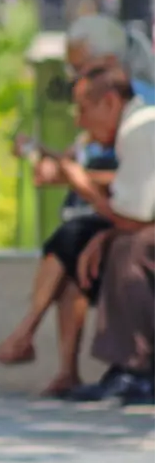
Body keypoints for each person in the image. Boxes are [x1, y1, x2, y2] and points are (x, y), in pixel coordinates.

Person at [0, 14, 155, 396]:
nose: (76, 78)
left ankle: (133, 369)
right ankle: (63, 363)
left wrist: (80, 184)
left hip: (136, 216)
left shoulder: (139, 111)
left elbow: (134, 203)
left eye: (82, 68)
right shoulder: (114, 112)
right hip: (130, 208)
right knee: (78, 251)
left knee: (121, 247)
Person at [55, 62, 155, 402]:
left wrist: (81, 184)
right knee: (100, 241)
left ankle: (134, 370)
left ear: (110, 102)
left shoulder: (141, 130)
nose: (80, 122)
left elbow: (131, 218)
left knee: (130, 249)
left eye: (84, 109)